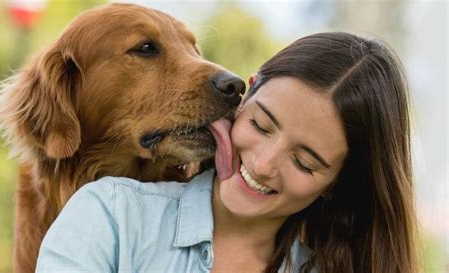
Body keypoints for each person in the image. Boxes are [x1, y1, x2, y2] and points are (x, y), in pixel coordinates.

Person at [35, 32, 420, 273]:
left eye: (304, 162)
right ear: (247, 93)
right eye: (260, 125)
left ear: (339, 182)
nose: (264, 164)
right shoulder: (111, 217)